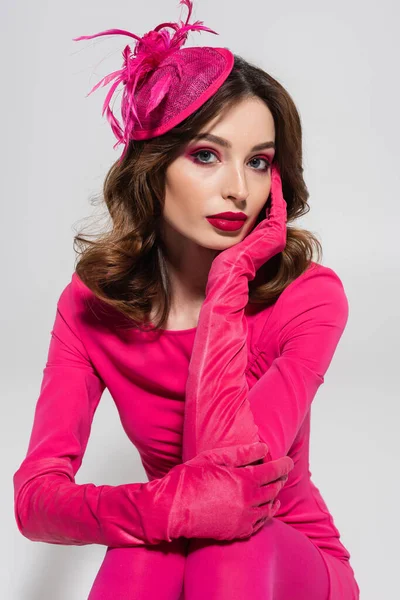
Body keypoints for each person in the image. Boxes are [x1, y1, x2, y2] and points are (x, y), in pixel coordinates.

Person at [12, 1, 360, 598]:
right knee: (139, 559)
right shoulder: (88, 309)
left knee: (231, 546)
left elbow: (233, 478)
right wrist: (162, 511)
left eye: (258, 163)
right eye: (206, 155)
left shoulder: (310, 299)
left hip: (284, 554)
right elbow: (36, 501)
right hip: (176, 549)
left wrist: (228, 286)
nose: (237, 188)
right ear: (153, 168)